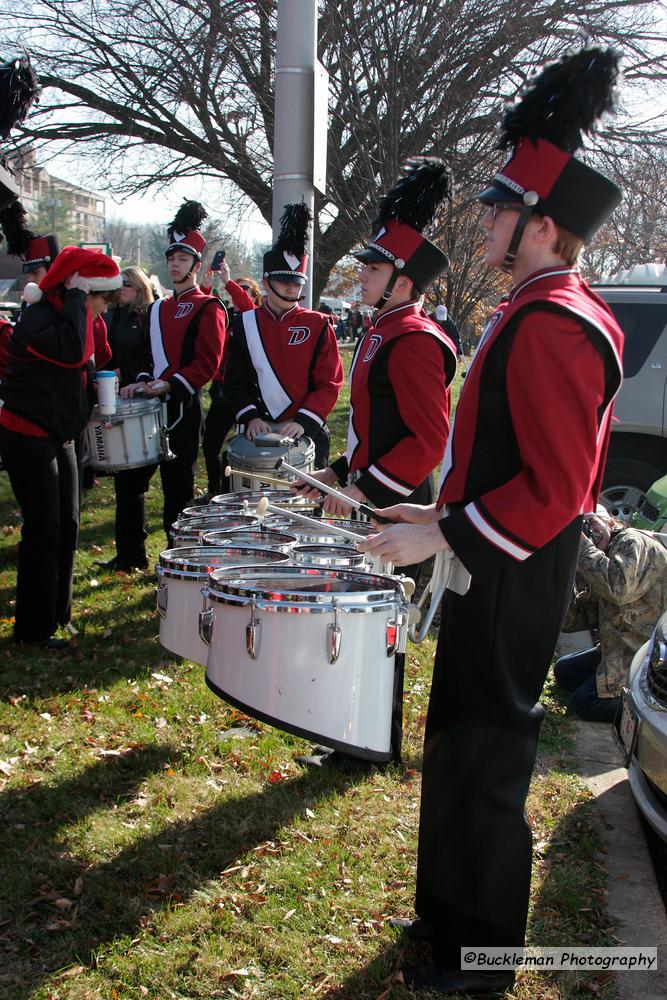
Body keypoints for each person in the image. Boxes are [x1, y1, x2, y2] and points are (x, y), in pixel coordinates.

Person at [358, 48, 625, 995]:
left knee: (491, 754)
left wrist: (441, 534)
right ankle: (445, 919)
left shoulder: (555, 319)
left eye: (496, 212)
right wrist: (436, 508)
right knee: (457, 741)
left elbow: (553, 486)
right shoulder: (530, 307)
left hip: (517, 568)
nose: (478, 226)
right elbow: (503, 462)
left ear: (543, 226)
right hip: (491, 554)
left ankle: (478, 958)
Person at [295, 158, 458, 768]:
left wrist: (364, 490)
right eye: (364, 265)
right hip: (372, 491)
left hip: (396, 500)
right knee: (362, 609)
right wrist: (339, 471)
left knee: (378, 616)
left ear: (404, 279)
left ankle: (368, 744)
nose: (361, 274)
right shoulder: (381, 330)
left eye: (374, 267)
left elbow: (425, 440)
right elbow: (372, 428)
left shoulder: (413, 339)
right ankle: (351, 733)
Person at [0, 246, 121, 648]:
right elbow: (71, 353)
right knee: (43, 528)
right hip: (26, 433)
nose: (104, 308)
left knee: (67, 524)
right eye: (101, 299)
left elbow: (88, 359)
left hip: (59, 435)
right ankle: (32, 631)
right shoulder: (39, 319)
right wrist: (76, 296)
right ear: (83, 292)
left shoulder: (74, 319)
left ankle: (57, 614)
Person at [121, 201, 228, 544]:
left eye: (182, 259)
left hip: (182, 407)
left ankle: (177, 554)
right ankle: (130, 554)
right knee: (131, 481)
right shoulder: (157, 308)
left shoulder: (209, 306)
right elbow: (144, 355)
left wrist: (169, 385)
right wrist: (141, 382)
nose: (174, 264)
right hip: (150, 405)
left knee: (177, 488)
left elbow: (207, 362)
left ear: (196, 265)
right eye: (171, 258)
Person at [223, 203, 343, 468]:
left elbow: (330, 382)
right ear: (266, 283)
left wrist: (303, 420)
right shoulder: (245, 323)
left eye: (296, 283)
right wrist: (251, 416)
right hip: (257, 432)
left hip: (304, 431)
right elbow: (234, 380)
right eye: (283, 282)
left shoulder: (319, 324)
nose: (291, 289)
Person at [554, 513, 667, 722]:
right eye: (583, 528)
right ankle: (609, 691)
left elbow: (618, 589)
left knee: (584, 702)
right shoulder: (602, 559)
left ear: (611, 522)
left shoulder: (632, 540)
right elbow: (574, 620)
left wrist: (583, 549)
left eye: (593, 522)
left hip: (647, 655)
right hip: (620, 648)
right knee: (564, 671)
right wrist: (569, 570)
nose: (590, 531)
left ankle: (647, 717)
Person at [95, 267, 156, 570]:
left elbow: (149, 355)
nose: (121, 289)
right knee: (125, 483)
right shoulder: (114, 315)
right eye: (119, 285)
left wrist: (134, 376)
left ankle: (134, 554)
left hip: (142, 403)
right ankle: (129, 553)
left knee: (133, 482)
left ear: (140, 287)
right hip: (117, 398)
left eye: (127, 285)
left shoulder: (148, 316)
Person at [200, 261, 261, 497]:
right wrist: (205, 288)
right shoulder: (230, 316)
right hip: (223, 389)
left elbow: (246, 306)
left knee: (245, 448)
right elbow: (205, 312)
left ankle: (243, 492)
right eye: (238, 286)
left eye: (245, 288)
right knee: (211, 444)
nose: (239, 290)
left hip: (248, 393)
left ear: (254, 297)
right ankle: (215, 490)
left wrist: (228, 280)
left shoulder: (253, 317)